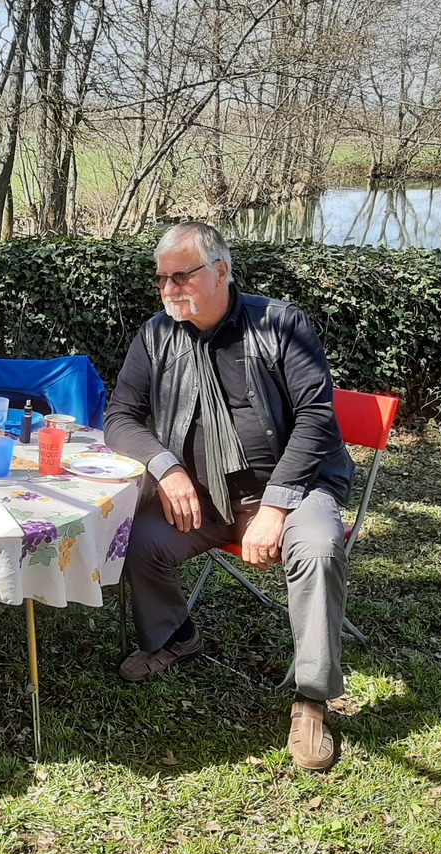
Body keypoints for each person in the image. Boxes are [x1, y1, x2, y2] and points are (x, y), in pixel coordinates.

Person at [104, 222, 355, 772]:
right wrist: (167, 468)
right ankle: (177, 637)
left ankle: (312, 700)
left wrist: (276, 506)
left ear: (221, 271)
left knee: (317, 549)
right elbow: (120, 417)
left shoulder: (280, 324)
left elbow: (317, 418)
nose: (169, 289)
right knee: (135, 538)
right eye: (161, 279)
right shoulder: (156, 336)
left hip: (293, 491)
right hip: (202, 497)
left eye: (182, 276)